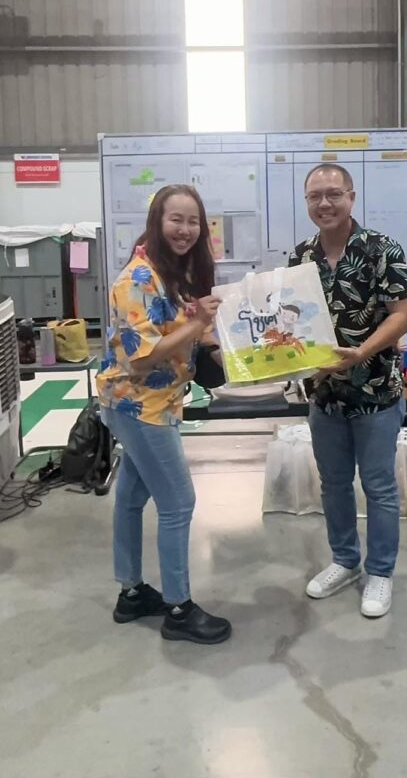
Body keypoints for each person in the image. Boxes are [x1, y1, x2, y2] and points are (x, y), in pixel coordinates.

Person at [96, 184, 231, 645]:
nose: (185, 230)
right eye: (176, 219)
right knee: (178, 503)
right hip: (140, 407)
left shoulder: (170, 271)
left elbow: (181, 331)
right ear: (157, 221)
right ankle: (178, 608)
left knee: (132, 498)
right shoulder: (137, 278)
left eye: (194, 221)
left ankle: (132, 592)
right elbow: (141, 357)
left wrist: (226, 346)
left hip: (154, 402)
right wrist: (198, 323)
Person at [289, 165, 407, 618]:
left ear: (351, 197)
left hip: (376, 392)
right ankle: (344, 561)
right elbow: (290, 319)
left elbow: (403, 314)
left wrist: (360, 352)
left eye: (333, 194)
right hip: (325, 396)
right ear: (307, 202)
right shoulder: (301, 256)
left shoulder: (382, 249)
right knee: (334, 484)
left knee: (378, 486)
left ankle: (379, 572)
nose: (324, 203)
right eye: (315, 196)